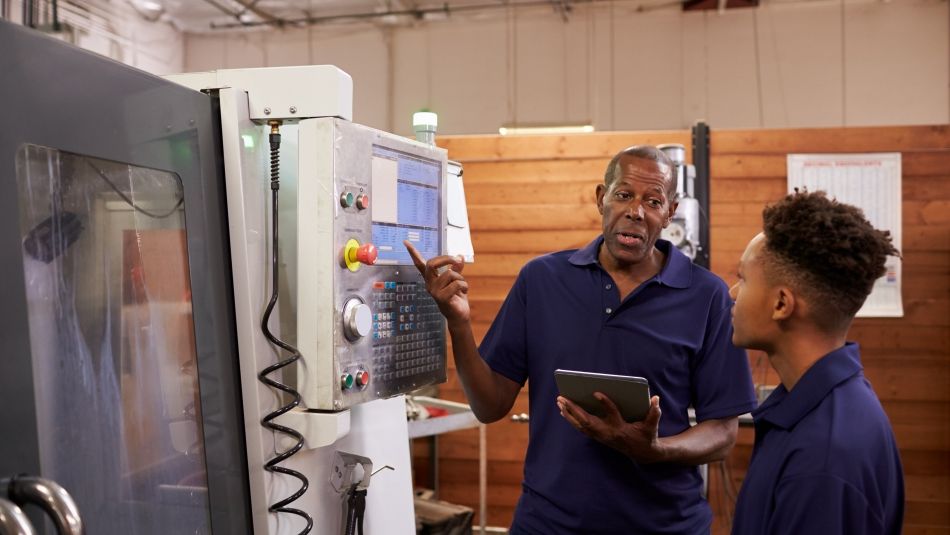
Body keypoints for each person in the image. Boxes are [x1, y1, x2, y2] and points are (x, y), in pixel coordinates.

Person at [406, 145, 756, 534]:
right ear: (601, 198)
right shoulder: (542, 280)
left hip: (665, 526)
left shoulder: (705, 295)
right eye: (623, 195)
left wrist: (656, 450)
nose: (636, 211)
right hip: (549, 524)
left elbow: (724, 434)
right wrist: (458, 324)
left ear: (669, 213)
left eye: (653, 201)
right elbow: (489, 406)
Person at [729, 191, 904, 534]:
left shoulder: (823, 459)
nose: (733, 293)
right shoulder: (823, 408)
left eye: (744, 279)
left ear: (782, 304)